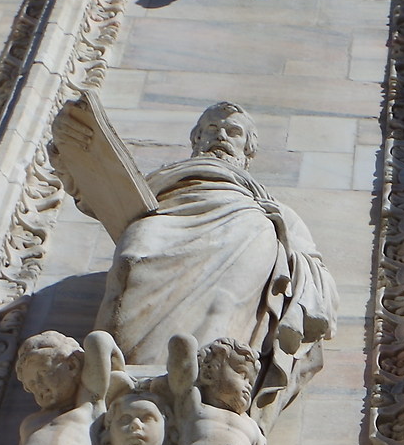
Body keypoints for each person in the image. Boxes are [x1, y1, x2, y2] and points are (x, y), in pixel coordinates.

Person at [98, 102, 336, 399]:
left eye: (233, 132)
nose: (221, 135)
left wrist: (283, 233)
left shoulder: (267, 204)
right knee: (131, 261)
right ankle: (115, 373)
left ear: (248, 149)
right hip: (167, 212)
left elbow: (308, 258)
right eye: (212, 129)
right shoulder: (159, 178)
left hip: (241, 221)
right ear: (196, 139)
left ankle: (207, 382)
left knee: (223, 305)